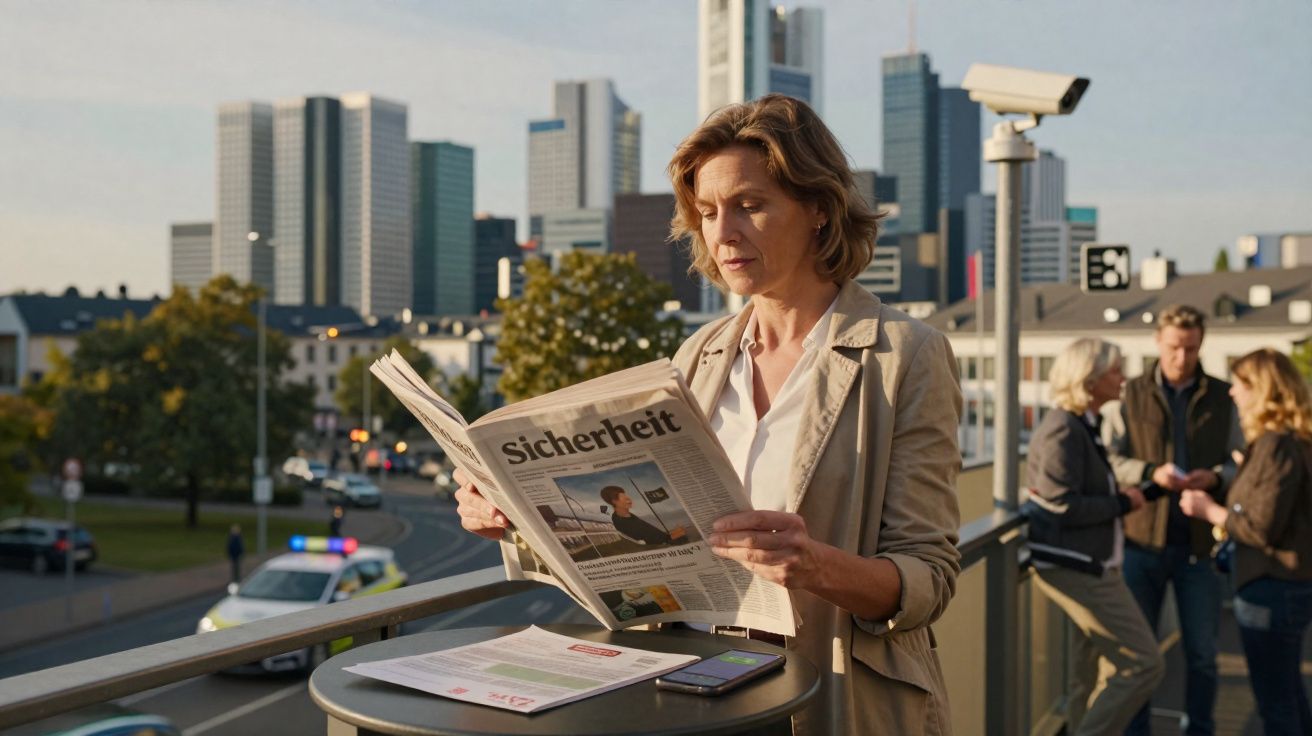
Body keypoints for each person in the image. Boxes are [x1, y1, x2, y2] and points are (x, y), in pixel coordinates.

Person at [456, 93, 962, 735]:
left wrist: (815, 566)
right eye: (708, 212)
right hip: (694, 690)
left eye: (749, 205)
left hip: (829, 695)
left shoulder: (904, 355)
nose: (723, 234)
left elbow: (928, 578)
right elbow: (641, 540)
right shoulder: (699, 354)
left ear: (819, 209)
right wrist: (515, 519)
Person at [1101, 304, 1243, 736]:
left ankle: (1199, 729)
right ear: (1158, 343)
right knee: (1140, 656)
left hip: (1200, 546)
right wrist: (1150, 473)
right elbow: (1110, 460)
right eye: (1175, 348)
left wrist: (1216, 478)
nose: (1183, 357)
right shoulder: (1130, 393)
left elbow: (1239, 460)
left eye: (1192, 348)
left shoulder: (1223, 396)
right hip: (1141, 542)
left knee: (1202, 654)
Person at [1025, 338, 1165, 735]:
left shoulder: (1083, 424)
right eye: (1116, 370)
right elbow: (1061, 505)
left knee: (1089, 673)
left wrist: (1131, 495)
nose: (1124, 378)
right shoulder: (1063, 429)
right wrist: (1121, 503)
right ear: (1089, 379)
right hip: (1079, 567)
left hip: (1090, 561)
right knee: (1144, 663)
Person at [1180, 348, 1312, 735]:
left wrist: (1209, 510)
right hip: (1282, 585)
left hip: (1271, 586)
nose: (1232, 393)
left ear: (1261, 389)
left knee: (1277, 703)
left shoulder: (1276, 445)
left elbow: (1261, 528)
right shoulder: (1288, 442)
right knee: (1288, 694)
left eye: (1239, 385)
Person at [599, 486, 686, 547]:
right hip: (666, 544)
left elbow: (651, 533)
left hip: (666, 539)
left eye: (627, 496)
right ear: (614, 501)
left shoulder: (628, 516)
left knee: (682, 532)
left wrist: (670, 534)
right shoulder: (621, 522)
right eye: (624, 497)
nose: (629, 499)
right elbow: (649, 542)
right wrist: (671, 537)